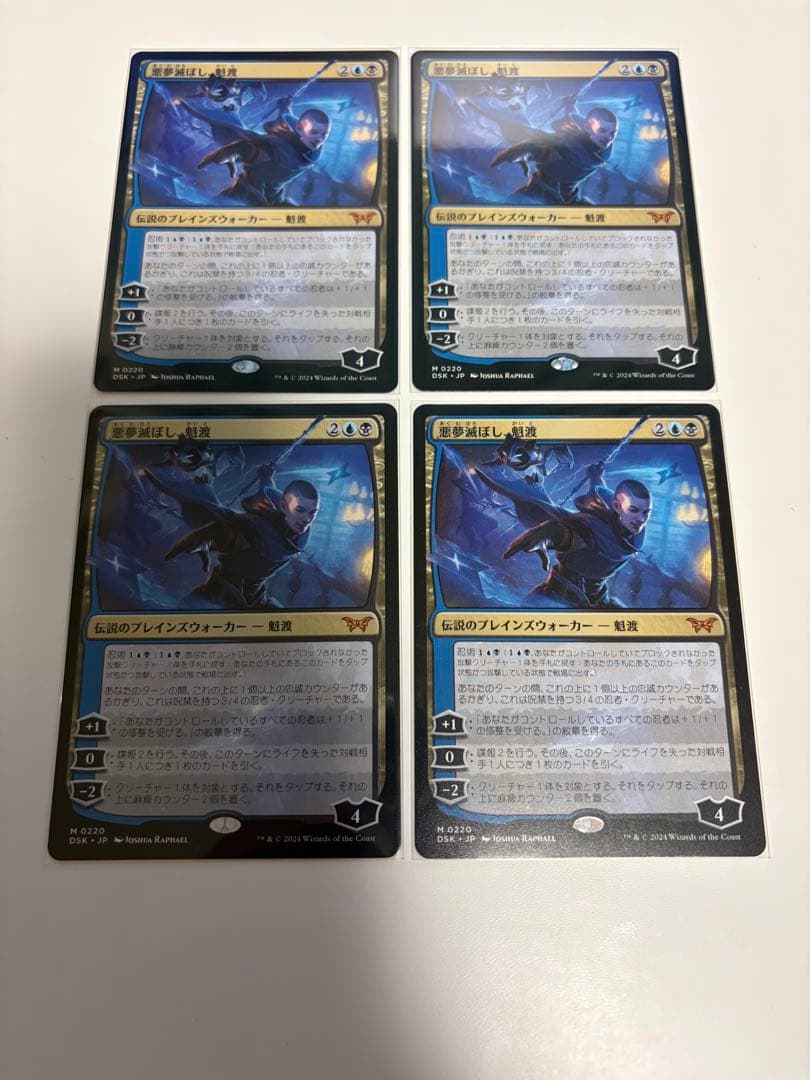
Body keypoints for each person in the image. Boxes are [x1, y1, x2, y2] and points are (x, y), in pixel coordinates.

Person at [475, 460, 651, 608]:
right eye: (634, 510)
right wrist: (544, 536)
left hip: (598, 602)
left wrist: (596, 476)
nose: (641, 519)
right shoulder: (589, 530)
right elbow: (567, 534)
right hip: (558, 597)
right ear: (618, 507)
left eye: (646, 513)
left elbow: (600, 496)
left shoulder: (625, 531)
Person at [144, 465, 320, 608]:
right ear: (284, 507)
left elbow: (270, 496)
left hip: (256, 599)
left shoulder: (291, 526)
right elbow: (229, 534)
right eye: (300, 510)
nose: (307, 519)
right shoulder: (255, 531)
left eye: (313, 512)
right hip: (219, 594)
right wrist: (207, 538)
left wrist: (266, 477)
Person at [181, 96, 331, 205]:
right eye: (314, 132)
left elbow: (286, 117)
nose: (319, 139)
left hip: (268, 195)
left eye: (324, 134)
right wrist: (232, 152)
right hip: (249, 191)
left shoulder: (308, 148)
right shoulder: (282, 146)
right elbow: (253, 149)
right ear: (299, 129)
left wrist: (285, 106)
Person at [490, 106, 618, 204]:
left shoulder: (601, 150)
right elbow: (539, 149)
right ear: (588, 128)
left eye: (613, 133)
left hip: (568, 199)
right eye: (602, 131)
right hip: (536, 194)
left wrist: (569, 106)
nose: (609, 137)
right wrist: (521, 151)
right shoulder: (566, 145)